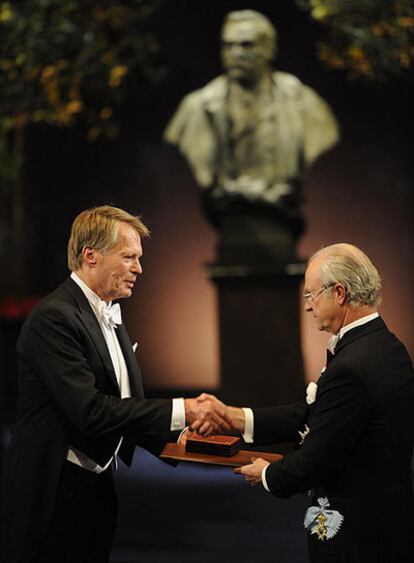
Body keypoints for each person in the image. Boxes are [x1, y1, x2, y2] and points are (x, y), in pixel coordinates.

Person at [0, 205, 231, 563]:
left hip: (96, 490)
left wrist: (181, 437)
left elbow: (124, 400)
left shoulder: (108, 310)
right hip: (50, 494)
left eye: (138, 258)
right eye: (129, 257)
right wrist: (182, 409)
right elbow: (90, 411)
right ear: (90, 256)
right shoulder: (53, 318)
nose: (139, 268)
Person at [227, 243, 414, 562]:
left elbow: (316, 461)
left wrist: (269, 473)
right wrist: (239, 418)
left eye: (310, 295)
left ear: (339, 292)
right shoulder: (387, 346)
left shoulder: (352, 366)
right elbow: (322, 415)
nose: (307, 307)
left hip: (351, 529)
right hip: (385, 519)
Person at [164, 10, 339, 262]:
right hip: (231, 227)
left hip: (281, 227)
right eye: (228, 45)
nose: (235, 53)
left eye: (246, 45)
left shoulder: (305, 105)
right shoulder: (197, 109)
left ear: (269, 50)